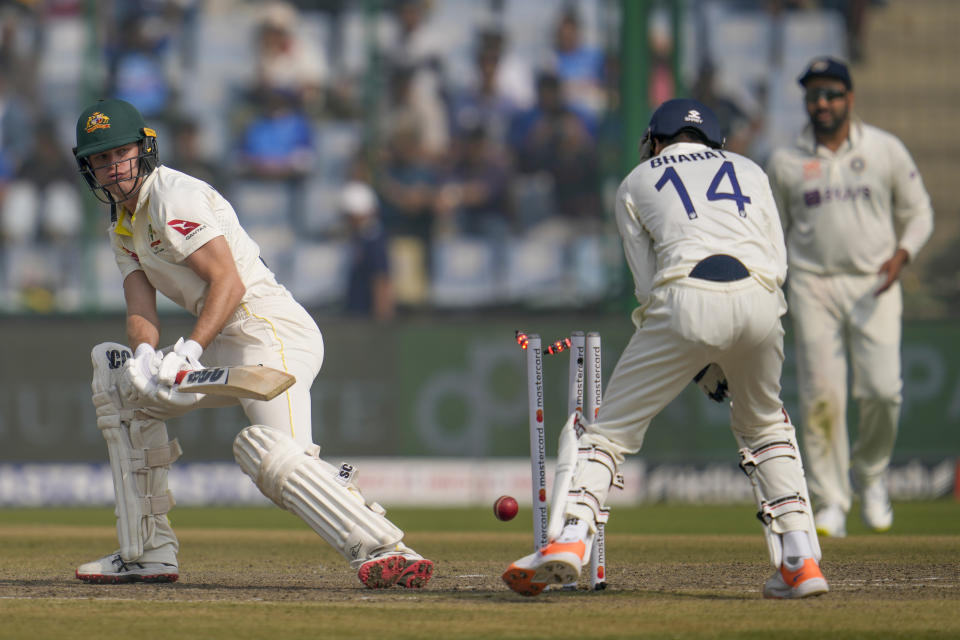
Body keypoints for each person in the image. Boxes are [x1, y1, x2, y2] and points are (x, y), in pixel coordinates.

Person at [70, 98, 433, 588]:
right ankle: (147, 552)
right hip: (223, 335)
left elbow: (229, 283)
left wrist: (186, 352)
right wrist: (143, 357)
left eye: (120, 155)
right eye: (101, 160)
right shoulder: (121, 222)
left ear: (143, 149)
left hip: (268, 330)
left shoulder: (174, 196)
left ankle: (387, 548)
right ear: (89, 167)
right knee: (122, 387)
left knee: (270, 455)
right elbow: (140, 306)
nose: (113, 169)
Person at [502, 98, 828, 600]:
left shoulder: (637, 181)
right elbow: (777, 261)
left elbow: (648, 287)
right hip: (763, 300)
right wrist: (726, 347)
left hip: (683, 297)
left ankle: (569, 541)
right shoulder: (750, 169)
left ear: (656, 141)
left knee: (610, 433)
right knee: (765, 425)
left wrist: (693, 348)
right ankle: (801, 561)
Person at [766, 57, 934, 537]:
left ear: (850, 98)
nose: (822, 103)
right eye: (814, 95)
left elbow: (920, 213)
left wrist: (902, 255)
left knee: (883, 391)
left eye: (831, 94)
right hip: (813, 284)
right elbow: (770, 229)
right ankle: (831, 499)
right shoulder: (785, 161)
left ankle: (872, 474)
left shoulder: (885, 150)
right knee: (823, 397)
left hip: (875, 282)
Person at [340, 181, 395, 321]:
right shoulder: (362, 237)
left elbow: (381, 280)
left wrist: (382, 319)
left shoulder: (373, 239)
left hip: (367, 317)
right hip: (358, 315)